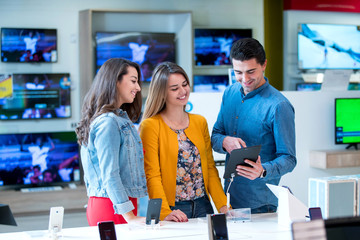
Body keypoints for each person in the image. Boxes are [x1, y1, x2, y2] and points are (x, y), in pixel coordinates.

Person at [211, 38, 297, 214]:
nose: (244, 79)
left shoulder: (279, 106)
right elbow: (215, 135)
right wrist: (225, 141)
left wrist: (263, 170)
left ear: (264, 65)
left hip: (261, 205)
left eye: (251, 71)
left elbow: (289, 158)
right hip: (229, 199)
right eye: (238, 72)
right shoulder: (230, 93)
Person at [140, 62, 230, 222]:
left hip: (203, 205)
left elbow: (209, 168)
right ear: (161, 93)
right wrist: (164, 212)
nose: (182, 91)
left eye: (184, 84)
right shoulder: (150, 126)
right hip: (173, 209)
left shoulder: (199, 122)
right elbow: (151, 174)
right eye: (174, 88)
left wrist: (223, 205)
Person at [75, 58, 147, 226]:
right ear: (115, 81)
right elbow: (110, 174)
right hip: (113, 206)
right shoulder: (108, 122)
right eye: (133, 81)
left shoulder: (116, 118)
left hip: (121, 204)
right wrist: (129, 217)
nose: (137, 87)